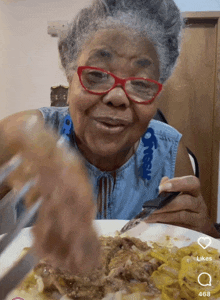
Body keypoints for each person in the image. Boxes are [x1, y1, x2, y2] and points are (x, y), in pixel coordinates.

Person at [0, 0, 219, 274]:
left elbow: (201, 266)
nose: (117, 97)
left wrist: (204, 232)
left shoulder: (169, 153)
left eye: (141, 83)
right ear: (70, 75)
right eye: (95, 75)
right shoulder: (28, 135)